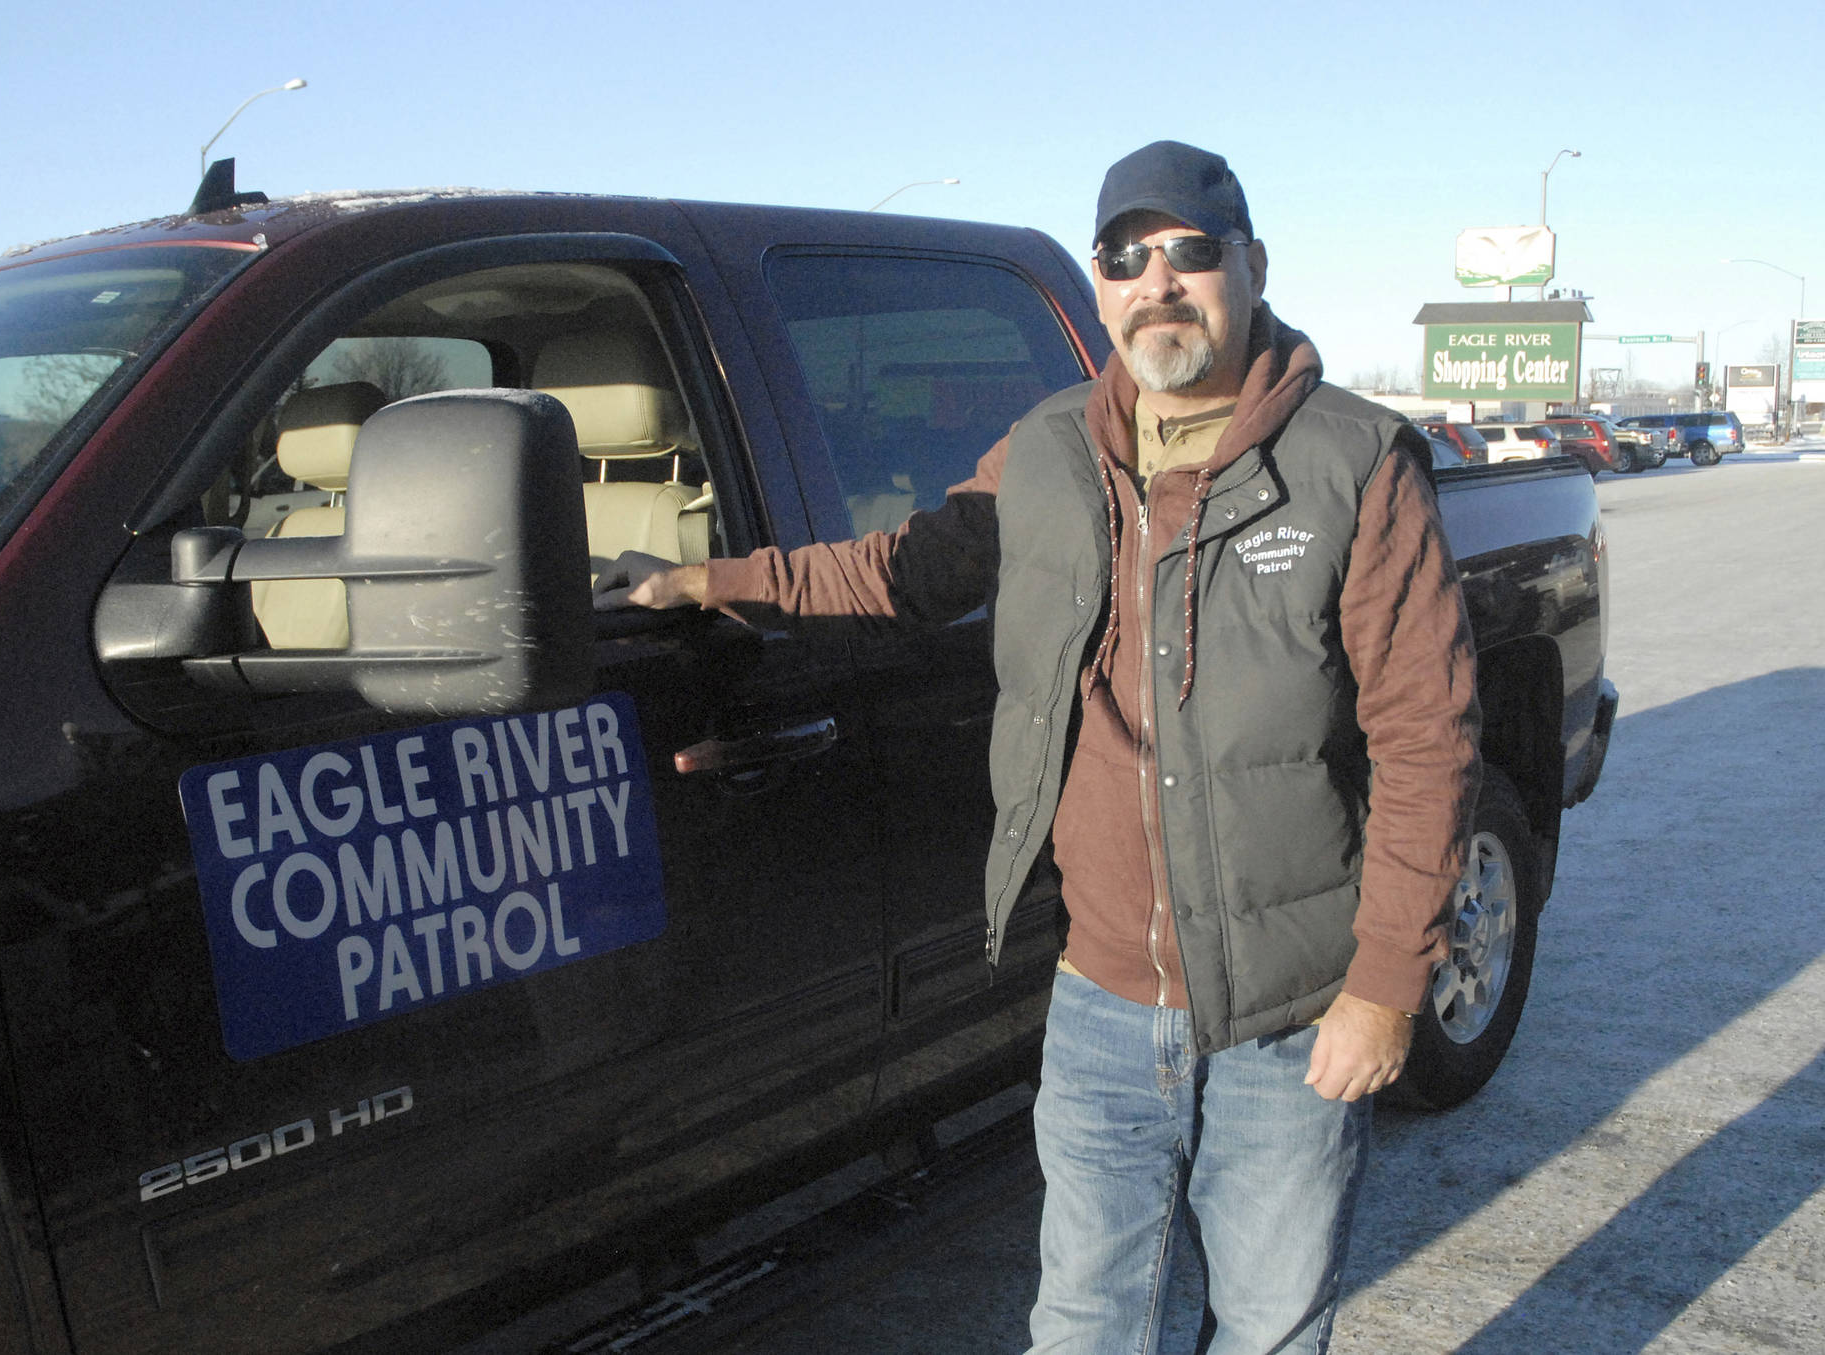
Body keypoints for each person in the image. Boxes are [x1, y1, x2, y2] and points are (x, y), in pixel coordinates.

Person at [596, 141, 1479, 1355]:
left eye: (1188, 252)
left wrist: (1383, 987)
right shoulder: (1049, 450)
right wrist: (705, 576)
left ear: (1250, 266)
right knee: (1081, 1320)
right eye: (1125, 256)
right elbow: (902, 570)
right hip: (1103, 998)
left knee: (1270, 1322)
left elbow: (1426, 742)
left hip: (1289, 1010)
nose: (1155, 281)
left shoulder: (1352, 464)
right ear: (1102, 285)